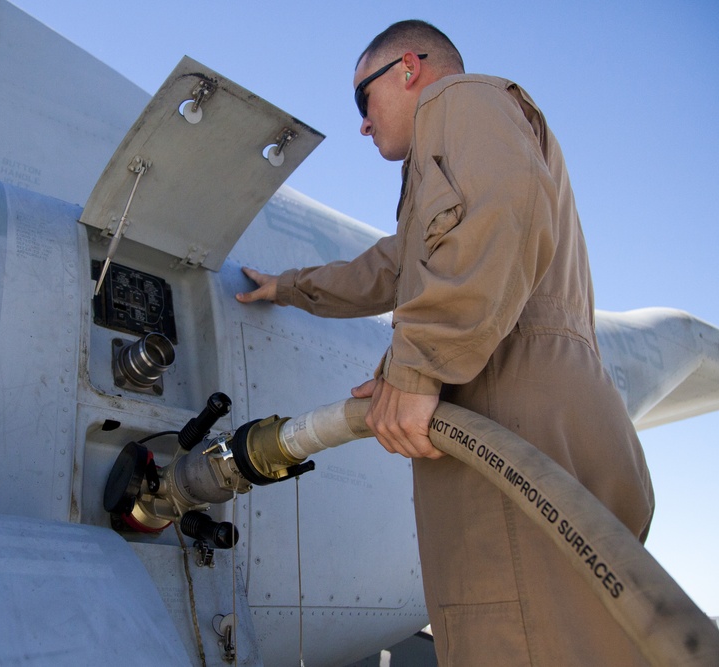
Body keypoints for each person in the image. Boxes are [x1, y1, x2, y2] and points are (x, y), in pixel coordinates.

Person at [236, 20, 654, 666]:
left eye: (363, 100)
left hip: (509, 405)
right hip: (523, 406)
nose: (363, 125)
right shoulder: (439, 163)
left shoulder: (462, 102)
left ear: (409, 69)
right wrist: (287, 285)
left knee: (517, 634)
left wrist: (417, 362)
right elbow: (384, 268)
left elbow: (503, 202)